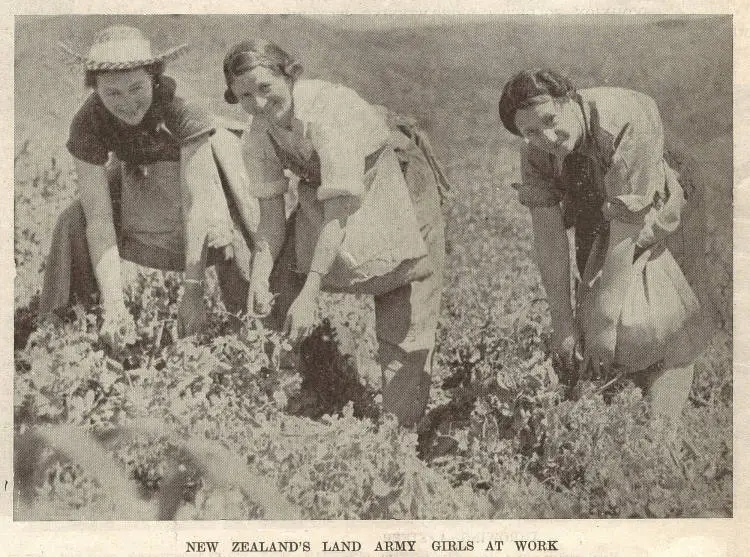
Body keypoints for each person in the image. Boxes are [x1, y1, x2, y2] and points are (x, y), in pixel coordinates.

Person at [222, 39, 449, 427]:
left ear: (288, 75)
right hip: (330, 193)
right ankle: (284, 400)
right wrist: (258, 276)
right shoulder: (258, 136)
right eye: (244, 95)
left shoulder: (328, 115)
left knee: (403, 302)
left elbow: (339, 212)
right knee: (276, 284)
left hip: (397, 183)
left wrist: (312, 291)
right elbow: (272, 219)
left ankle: (401, 434)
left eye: (265, 88)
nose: (258, 104)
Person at [498, 69, 710, 420]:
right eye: (531, 132)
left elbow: (629, 227)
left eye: (551, 120)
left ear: (570, 99)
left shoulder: (622, 123)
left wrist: (606, 322)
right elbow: (549, 238)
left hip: (658, 187)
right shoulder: (535, 149)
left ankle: (661, 433)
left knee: (660, 311)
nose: (547, 137)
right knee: (596, 301)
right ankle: (623, 392)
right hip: (596, 197)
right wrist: (563, 323)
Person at [41, 26, 260, 341]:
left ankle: (254, 338)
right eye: (112, 93)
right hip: (142, 172)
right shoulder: (87, 123)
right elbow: (99, 220)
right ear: (95, 91)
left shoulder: (181, 107)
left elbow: (197, 204)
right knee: (72, 221)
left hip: (208, 166)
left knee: (233, 233)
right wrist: (115, 304)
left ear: (153, 79)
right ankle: (67, 333)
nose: (127, 102)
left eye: (136, 88)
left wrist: (193, 292)